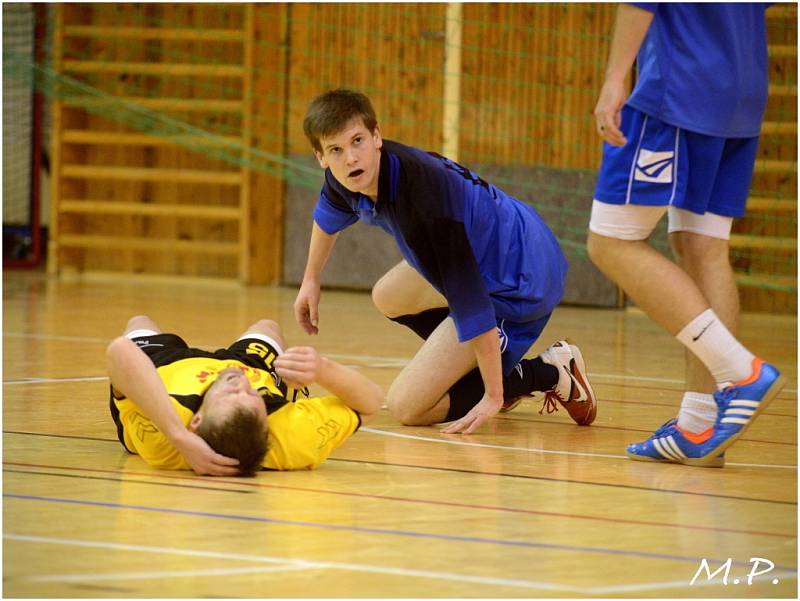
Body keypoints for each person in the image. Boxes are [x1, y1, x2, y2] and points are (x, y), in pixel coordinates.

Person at [294, 89, 597, 435]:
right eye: (336, 149)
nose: (350, 157)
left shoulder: (425, 209)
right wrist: (310, 280)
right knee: (388, 295)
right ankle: (485, 364)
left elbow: (474, 306)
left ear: (377, 136)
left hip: (520, 281)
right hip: (513, 237)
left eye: (357, 141)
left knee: (407, 406)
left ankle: (548, 372)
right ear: (321, 157)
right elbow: (328, 216)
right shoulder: (348, 176)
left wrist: (494, 396)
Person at [588, 3, 785, 467]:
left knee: (610, 242)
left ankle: (741, 372)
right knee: (703, 248)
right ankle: (701, 425)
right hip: (742, 91)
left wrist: (616, 78)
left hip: (678, 90)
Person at [107, 314, 383, 476]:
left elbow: (119, 351)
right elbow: (371, 403)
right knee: (266, 326)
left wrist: (177, 435)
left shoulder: (163, 436)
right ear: (267, 425)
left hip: (163, 367)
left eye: (231, 393)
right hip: (250, 366)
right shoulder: (288, 435)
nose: (241, 384)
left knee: (140, 321)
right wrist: (323, 369)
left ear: (197, 419)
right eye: (253, 395)